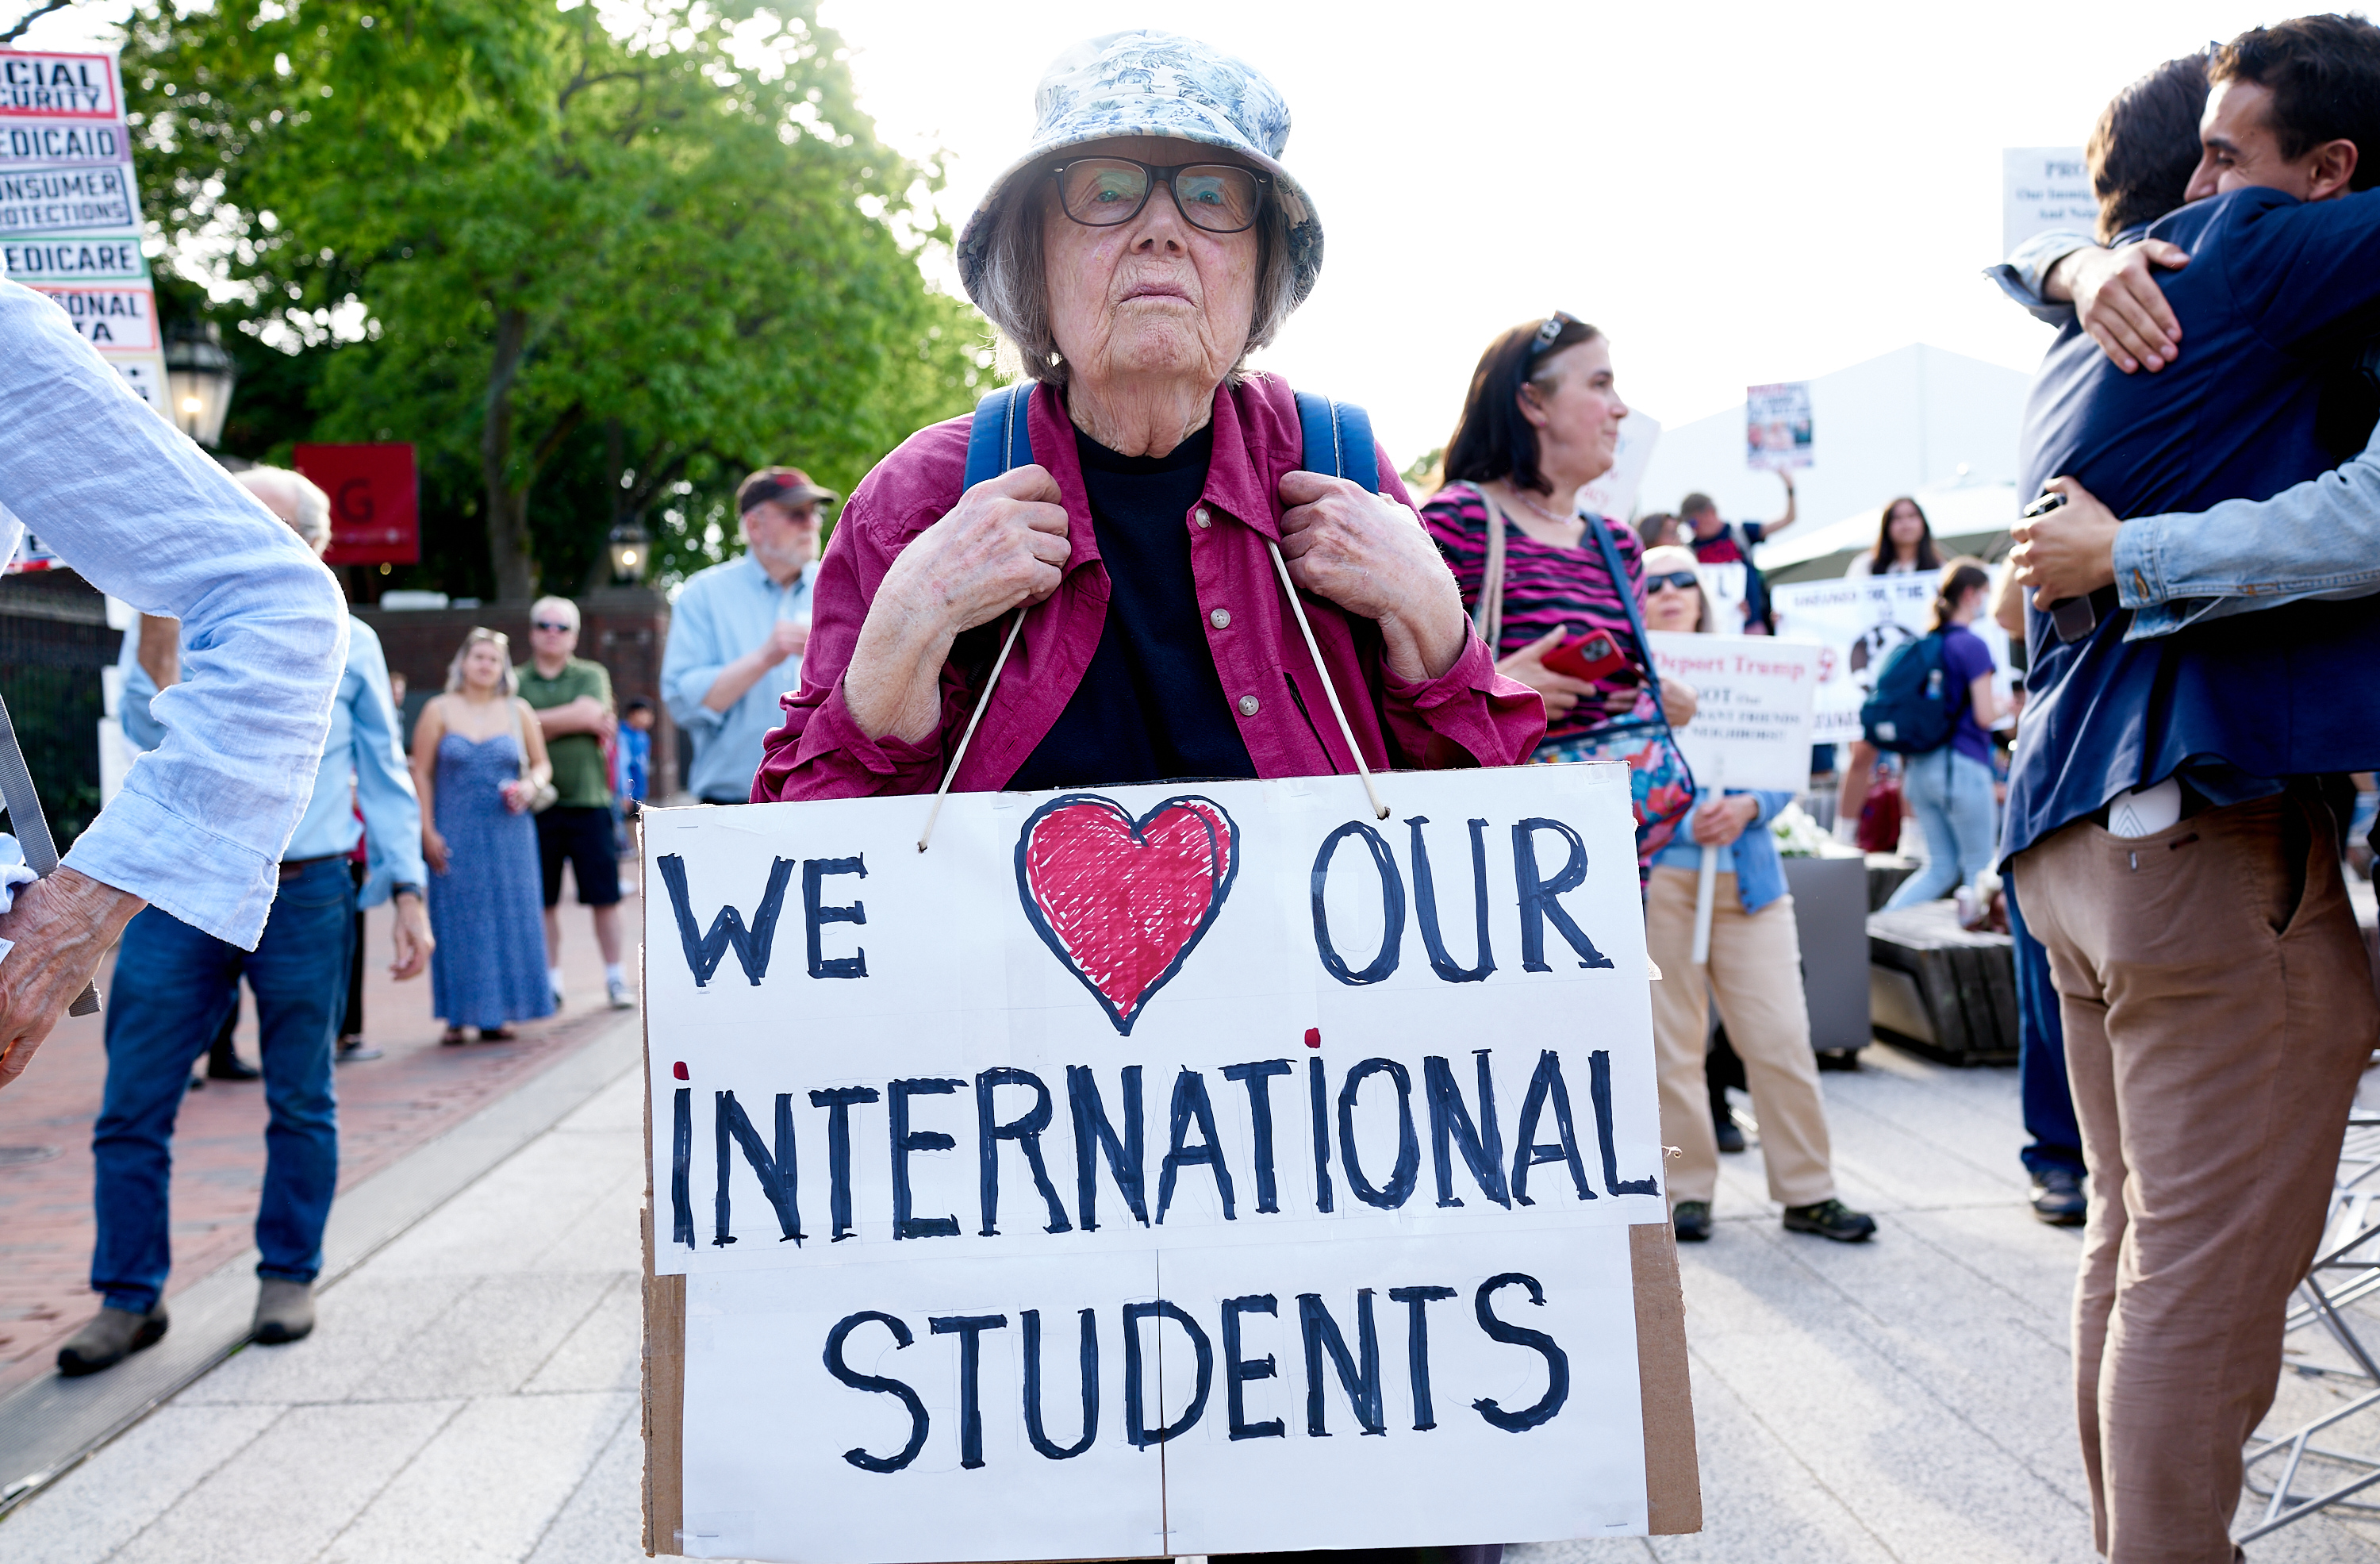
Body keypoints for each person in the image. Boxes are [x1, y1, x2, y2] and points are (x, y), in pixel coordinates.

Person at [752, 29, 1541, 821]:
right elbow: (800, 861)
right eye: (1105, 190)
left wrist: (1433, 617)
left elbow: (1496, 835)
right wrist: (909, 622)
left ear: (1262, 265)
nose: (1160, 230)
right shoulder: (918, 498)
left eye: (1211, 196)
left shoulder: (1338, 465)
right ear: (1034, 256)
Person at [1993, 24, 2380, 1559]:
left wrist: (2053, 266)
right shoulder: (2253, 250)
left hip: (2080, 845)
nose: (2220, 191)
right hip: (2197, 834)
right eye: (2210, 161)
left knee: (2132, 1250)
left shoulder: (2083, 330)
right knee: (2200, 1283)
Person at [60, 465, 428, 1374]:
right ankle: (127, 1296)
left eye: (259, 525)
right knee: (132, 1100)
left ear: (312, 548)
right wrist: (161, 642)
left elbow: (382, 767)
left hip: (302, 889)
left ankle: (287, 1276)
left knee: (301, 1094)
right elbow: (146, 730)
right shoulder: (178, 623)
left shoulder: (352, 640)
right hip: (178, 888)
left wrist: (407, 888)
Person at [1637, 545, 1874, 1246]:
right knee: (1670, 1046)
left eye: (1687, 579)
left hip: (1750, 880)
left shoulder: (1750, 662)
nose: (1673, 590)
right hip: (1659, 882)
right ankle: (1683, 1193)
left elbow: (1782, 762)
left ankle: (1809, 1191)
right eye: (1655, 581)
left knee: (1780, 1036)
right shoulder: (1623, 677)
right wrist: (1676, 814)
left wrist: (1746, 806)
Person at [1419, 317, 1697, 868]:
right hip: (1502, 863)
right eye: (1599, 384)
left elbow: (1619, 691)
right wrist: (1498, 690)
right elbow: (1391, 700)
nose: (1620, 408)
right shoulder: (1459, 520)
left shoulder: (1618, 543)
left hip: (1619, 860)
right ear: (1533, 402)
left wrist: (1666, 699)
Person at [413, 630, 557, 1043]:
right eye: (478, 657)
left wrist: (529, 787)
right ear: (462, 663)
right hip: (454, 827)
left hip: (509, 832)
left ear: (503, 669)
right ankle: (458, 1014)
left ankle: (502, 1011)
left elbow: (542, 766)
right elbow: (420, 771)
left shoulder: (518, 710)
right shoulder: (438, 709)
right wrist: (427, 829)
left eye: (494, 660)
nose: (485, 665)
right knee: (459, 919)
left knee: (509, 918)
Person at [662, 467, 834, 804]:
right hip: (731, 804)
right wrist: (765, 657)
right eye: (796, 514)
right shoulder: (702, 595)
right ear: (754, 526)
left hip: (824, 801)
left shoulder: (838, 587)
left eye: (815, 513)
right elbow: (684, 703)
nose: (811, 524)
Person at [517, 598, 631, 1009]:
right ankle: (550, 983)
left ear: (574, 636)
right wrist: (573, 720)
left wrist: (532, 723)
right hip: (536, 805)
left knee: (604, 897)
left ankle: (616, 979)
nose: (552, 632)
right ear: (531, 631)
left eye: (561, 627)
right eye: (544, 625)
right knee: (542, 899)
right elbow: (508, 725)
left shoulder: (591, 674)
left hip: (589, 801)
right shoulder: (515, 679)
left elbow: (589, 711)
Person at [1879, 559, 2004, 910]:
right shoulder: (1972, 646)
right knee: (1979, 870)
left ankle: (1880, 929)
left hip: (1921, 772)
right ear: (1970, 594)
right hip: (1962, 770)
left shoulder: (1928, 643)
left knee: (1940, 868)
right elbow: (1984, 715)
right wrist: (2007, 708)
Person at [1679, 476, 1795, 632]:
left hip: (1752, 626)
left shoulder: (1740, 533)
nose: (1692, 529)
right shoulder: (1689, 549)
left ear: (1710, 512)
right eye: (1687, 525)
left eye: (1693, 522)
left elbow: (1788, 519)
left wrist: (1790, 487)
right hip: (1714, 629)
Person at [1845, 495, 1940, 578]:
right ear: (1886, 526)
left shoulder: (1940, 568)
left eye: (1912, 516)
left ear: (1923, 524)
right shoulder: (1865, 566)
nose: (1906, 523)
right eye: (1897, 517)